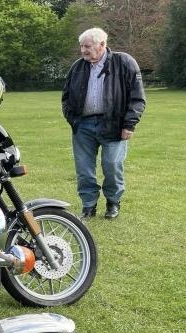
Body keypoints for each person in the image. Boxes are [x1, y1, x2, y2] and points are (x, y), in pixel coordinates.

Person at [62, 27, 146, 220]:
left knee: (112, 165)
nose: (83, 50)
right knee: (84, 169)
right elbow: (65, 96)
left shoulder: (124, 62)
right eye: (81, 46)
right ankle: (88, 206)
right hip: (83, 126)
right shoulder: (77, 66)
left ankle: (113, 203)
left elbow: (138, 98)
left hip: (113, 124)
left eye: (87, 46)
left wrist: (129, 124)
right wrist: (72, 118)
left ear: (102, 44)